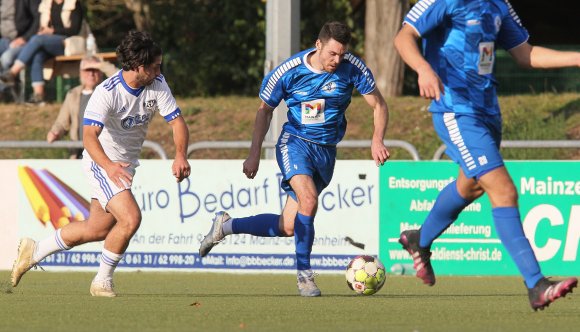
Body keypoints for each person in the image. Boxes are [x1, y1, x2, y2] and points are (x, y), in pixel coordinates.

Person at [393, 0, 579, 311]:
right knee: (503, 190)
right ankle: (536, 284)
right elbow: (403, 37)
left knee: (471, 186)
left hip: (488, 111)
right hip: (456, 109)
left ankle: (419, 239)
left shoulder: (498, 5)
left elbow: (526, 53)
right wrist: (423, 68)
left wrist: (576, 58)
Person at [198, 21, 390, 297]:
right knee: (309, 199)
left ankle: (225, 226)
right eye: (331, 54)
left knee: (288, 225)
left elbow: (379, 105)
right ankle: (304, 276)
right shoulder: (288, 72)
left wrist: (377, 139)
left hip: (326, 151)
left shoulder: (353, 68)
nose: (337, 60)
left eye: (341, 54)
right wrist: (254, 154)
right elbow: (264, 111)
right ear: (318, 45)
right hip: (295, 143)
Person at [11, 30, 191, 297]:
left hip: (124, 166)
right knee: (131, 218)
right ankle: (102, 281)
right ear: (139, 67)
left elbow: (177, 122)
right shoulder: (106, 92)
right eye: (155, 66)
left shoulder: (158, 83)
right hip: (101, 162)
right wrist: (108, 166)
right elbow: (88, 136)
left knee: (96, 229)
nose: (159, 70)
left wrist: (180, 155)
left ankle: (35, 251)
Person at [0, 0, 82, 105]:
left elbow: (75, 30)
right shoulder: (46, 4)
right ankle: (39, 95)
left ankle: (13, 72)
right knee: (37, 55)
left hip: (66, 43)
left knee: (37, 39)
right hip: (45, 42)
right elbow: (39, 24)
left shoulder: (73, 3)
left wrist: (53, 31)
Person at [46, 55, 117, 158]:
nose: (91, 74)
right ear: (80, 73)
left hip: (105, 155)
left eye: (95, 70)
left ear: (101, 71)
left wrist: (101, 64)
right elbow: (62, 122)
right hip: (79, 154)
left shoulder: (108, 92)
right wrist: (55, 132)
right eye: (87, 70)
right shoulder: (72, 94)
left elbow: (122, 78)